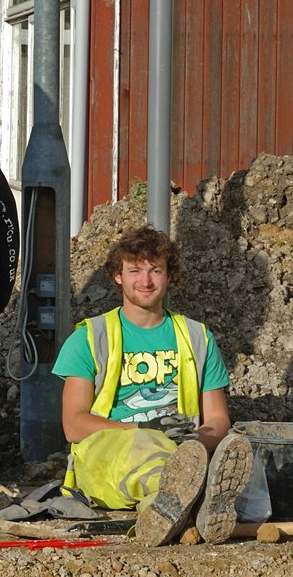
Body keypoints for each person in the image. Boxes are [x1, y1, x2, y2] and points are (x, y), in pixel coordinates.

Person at [53, 225, 253, 546]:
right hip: (108, 456)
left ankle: (172, 513)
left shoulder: (197, 337)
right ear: (118, 276)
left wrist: (191, 441)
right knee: (149, 454)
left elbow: (218, 420)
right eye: (134, 271)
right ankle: (199, 499)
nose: (145, 281)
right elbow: (74, 425)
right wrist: (142, 430)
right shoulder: (89, 338)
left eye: (155, 271)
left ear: (168, 276)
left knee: (241, 453)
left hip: (183, 451)